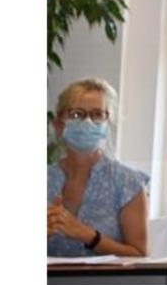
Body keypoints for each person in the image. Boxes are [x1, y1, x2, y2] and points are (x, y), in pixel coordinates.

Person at [47, 77, 149, 257]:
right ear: (58, 125)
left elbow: (139, 255)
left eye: (97, 115)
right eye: (76, 114)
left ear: (107, 124)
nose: (87, 122)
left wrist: (87, 235)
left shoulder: (128, 184)